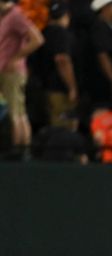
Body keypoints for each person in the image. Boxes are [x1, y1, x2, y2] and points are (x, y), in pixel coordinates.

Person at [0, 0, 44, 152]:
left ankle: (18, 150)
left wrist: (16, 58)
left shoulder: (15, 15)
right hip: (6, 70)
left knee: (15, 112)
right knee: (19, 111)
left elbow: (37, 39)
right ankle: (22, 150)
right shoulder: (5, 16)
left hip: (12, 72)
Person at [35, 1, 78, 128]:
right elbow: (62, 60)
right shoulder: (61, 33)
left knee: (53, 125)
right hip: (60, 90)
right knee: (64, 128)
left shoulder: (43, 32)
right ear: (66, 15)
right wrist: (72, 87)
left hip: (45, 88)